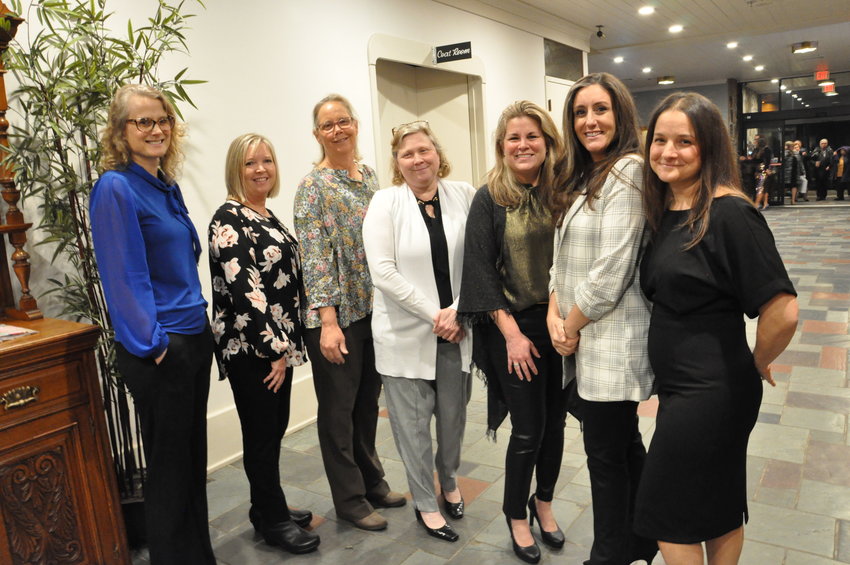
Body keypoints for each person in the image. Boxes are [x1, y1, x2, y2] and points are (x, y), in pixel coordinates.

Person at [635, 92, 798, 565]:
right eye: (659, 140)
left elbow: (783, 308)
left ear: (708, 146)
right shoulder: (670, 207)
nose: (668, 151)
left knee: (666, 512)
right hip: (684, 388)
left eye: (683, 141)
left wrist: (759, 360)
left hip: (712, 392)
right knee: (716, 503)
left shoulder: (730, 213)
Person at [90, 84, 216, 564]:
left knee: (190, 462)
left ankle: (197, 557)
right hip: (162, 348)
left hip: (191, 336)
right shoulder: (115, 187)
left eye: (162, 119)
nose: (156, 129)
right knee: (168, 470)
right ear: (121, 132)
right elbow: (123, 274)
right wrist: (154, 343)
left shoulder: (166, 185)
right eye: (143, 121)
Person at [548, 72, 657, 565]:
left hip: (612, 338)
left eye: (600, 109)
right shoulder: (582, 174)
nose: (589, 121)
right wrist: (553, 307)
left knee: (605, 457)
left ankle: (610, 554)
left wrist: (568, 325)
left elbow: (612, 269)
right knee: (624, 444)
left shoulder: (629, 171)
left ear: (621, 114)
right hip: (583, 331)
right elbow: (562, 257)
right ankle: (645, 535)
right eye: (579, 112)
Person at [458, 101, 567, 564]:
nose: (523, 145)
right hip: (514, 327)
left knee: (558, 424)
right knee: (529, 429)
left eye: (532, 137)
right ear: (502, 147)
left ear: (548, 143)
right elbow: (479, 272)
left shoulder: (564, 191)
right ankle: (514, 516)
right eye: (513, 138)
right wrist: (512, 335)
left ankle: (542, 504)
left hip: (562, 323)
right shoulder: (490, 198)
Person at [294, 94, 405, 532]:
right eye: (327, 125)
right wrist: (328, 321)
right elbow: (315, 256)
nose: (337, 130)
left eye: (343, 121)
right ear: (317, 134)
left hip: (371, 310)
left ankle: (372, 480)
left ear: (356, 125)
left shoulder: (370, 176)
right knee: (338, 411)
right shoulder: (312, 186)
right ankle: (350, 500)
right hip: (334, 317)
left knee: (365, 404)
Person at [362, 122, 476, 543]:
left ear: (437, 153)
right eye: (407, 153)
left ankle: (449, 482)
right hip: (405, 335)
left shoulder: (463, 194)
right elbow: (383, 272)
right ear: (397, 162)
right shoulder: (384, 202)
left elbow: (482, 258)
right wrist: (437, 314)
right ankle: (427, 504)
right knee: (411, 430)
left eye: (424, 150)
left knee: (452, 421)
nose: (417, 159)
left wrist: (459, 310)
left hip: (458, 331)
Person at [208, 134, 319, 554]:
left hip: (278, 345)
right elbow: (244, 290)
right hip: (251, 350)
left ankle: (265, 506)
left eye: (267, 161)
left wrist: (285, 346)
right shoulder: (229, 218)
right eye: (250, 163)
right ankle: (273, 521)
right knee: (260, 434)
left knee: (272, 432)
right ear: (236, 169)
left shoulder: (267, 215)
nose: (260, 169)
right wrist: (272, 349)